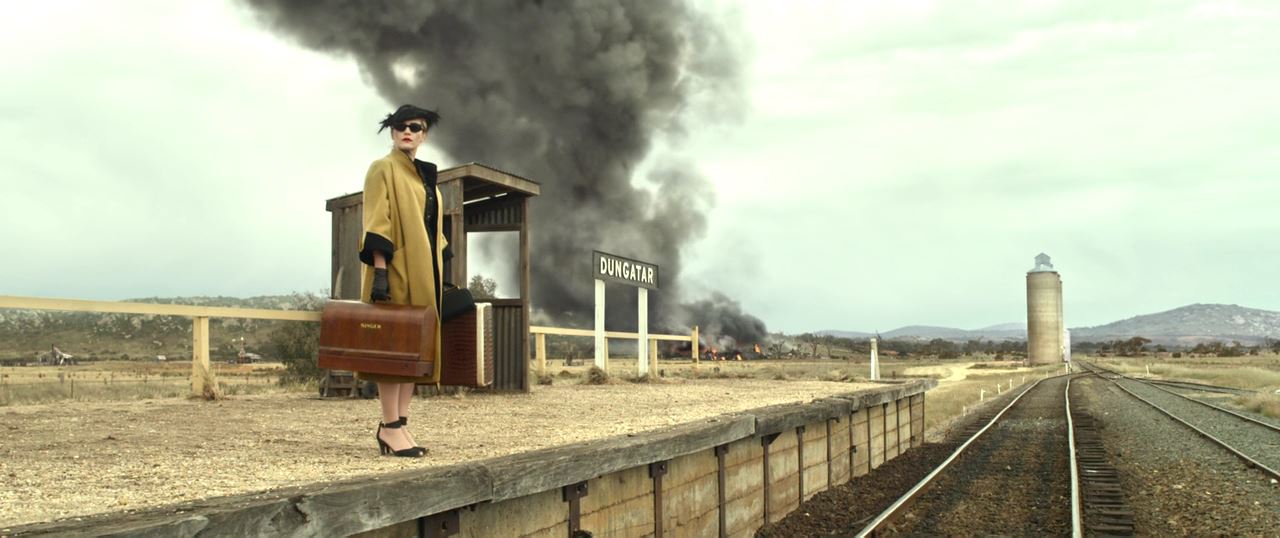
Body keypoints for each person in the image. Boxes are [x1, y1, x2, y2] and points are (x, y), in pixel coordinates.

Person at [356, 104, 448, 458]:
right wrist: (380, 273)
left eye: (415, 127)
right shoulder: (382, 169)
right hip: (394, 270)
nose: (407, 131)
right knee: (393, 353)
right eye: (400, 126)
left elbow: (433, 230)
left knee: (415, 352)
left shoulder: (423, 178)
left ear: (423, 135)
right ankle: (389, 426)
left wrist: (445, 263)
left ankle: (400, 426)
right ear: (391, 131)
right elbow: (378, 222)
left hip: (426, 273)